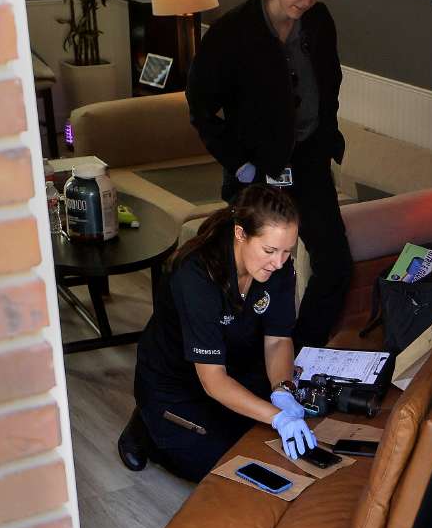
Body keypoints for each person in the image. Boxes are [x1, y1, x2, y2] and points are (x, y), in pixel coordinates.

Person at [186, 0, 351, 349]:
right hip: (257, 170)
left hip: (309, 161)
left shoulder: (319, 22)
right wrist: (238, 163)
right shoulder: (232, 32)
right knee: (260, 271)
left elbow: (330, 84)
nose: (307, 0)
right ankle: (240, 360)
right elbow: (201, 107)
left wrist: (327, 136)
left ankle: (300, 355)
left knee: (335, 266)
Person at [117, 186, 317, 481]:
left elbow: (277, 339)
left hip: (235, 365)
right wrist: (277, 417)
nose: (279, 262)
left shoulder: (277, 267)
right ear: (240, 235)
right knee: (225, 467)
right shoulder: (195, 276)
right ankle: (147, 426)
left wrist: (282, 390)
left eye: (288, 251)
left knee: (266, 444)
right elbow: (213, 381)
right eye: (270, 250)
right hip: (178, 384)